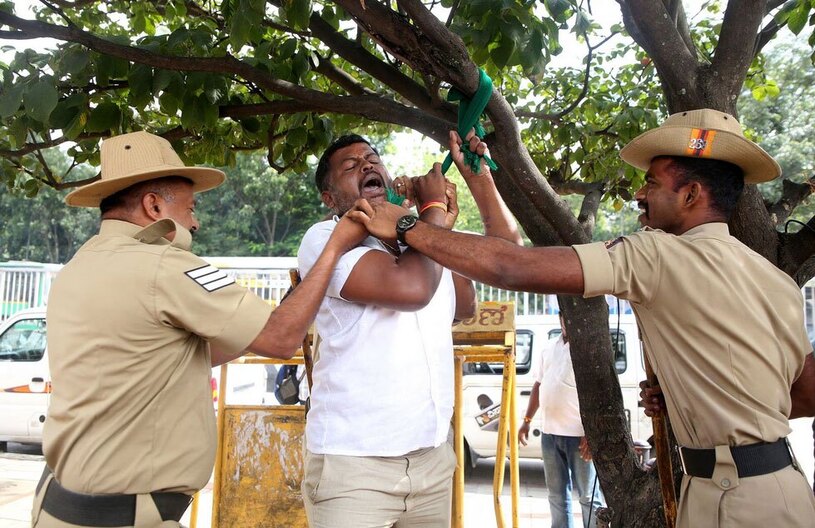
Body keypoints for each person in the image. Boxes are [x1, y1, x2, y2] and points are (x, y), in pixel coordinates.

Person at [350, 109, 815, 527]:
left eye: (652, 184)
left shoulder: (657, 254)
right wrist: (700, 400)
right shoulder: (776, 280)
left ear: (692, 194)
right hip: (775, 487)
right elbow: (801, 393)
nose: (638, 193)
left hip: (733, 501)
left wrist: (409, 226)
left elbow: (512, 266)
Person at [32, 131, 366, 528]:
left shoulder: (79, 267)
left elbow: (170, 356)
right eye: (189, 208)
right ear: (153, 205)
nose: (196, 221)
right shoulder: (162, 266)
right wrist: (335, 247)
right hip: (125, 516)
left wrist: (253, 324)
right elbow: (280, 339)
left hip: (59, 505)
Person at [297, 130, 521, 527]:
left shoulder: (414, 237)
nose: (367, 164)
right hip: (355, 468)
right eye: (350, 166)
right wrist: (431, 212)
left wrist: (476, 180)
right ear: (330, 199)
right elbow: (413, 289)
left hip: (432, 460)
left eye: (373, 159)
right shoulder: (325, 237)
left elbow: (476, 291)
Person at [518, 313, 604, 528]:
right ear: (561, 319)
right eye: (566, 318)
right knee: (556, 496)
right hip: (550, 434)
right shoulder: (549, 347)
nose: (569, 322)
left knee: (589, 497)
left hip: (579, 436)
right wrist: (527, 420)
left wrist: (591, 432)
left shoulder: (587, 349)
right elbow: (539, 384)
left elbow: (599, 392)